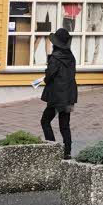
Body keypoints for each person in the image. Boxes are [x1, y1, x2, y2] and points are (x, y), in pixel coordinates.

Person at [41, 28, 78, 159]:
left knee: (45, 121)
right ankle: (67, 152)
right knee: (65, 125)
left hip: (57, 95)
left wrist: (44, 78)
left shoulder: (55, 58)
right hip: (69, 95)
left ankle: (52, 148)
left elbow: (50, 75)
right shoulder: (71, 57)